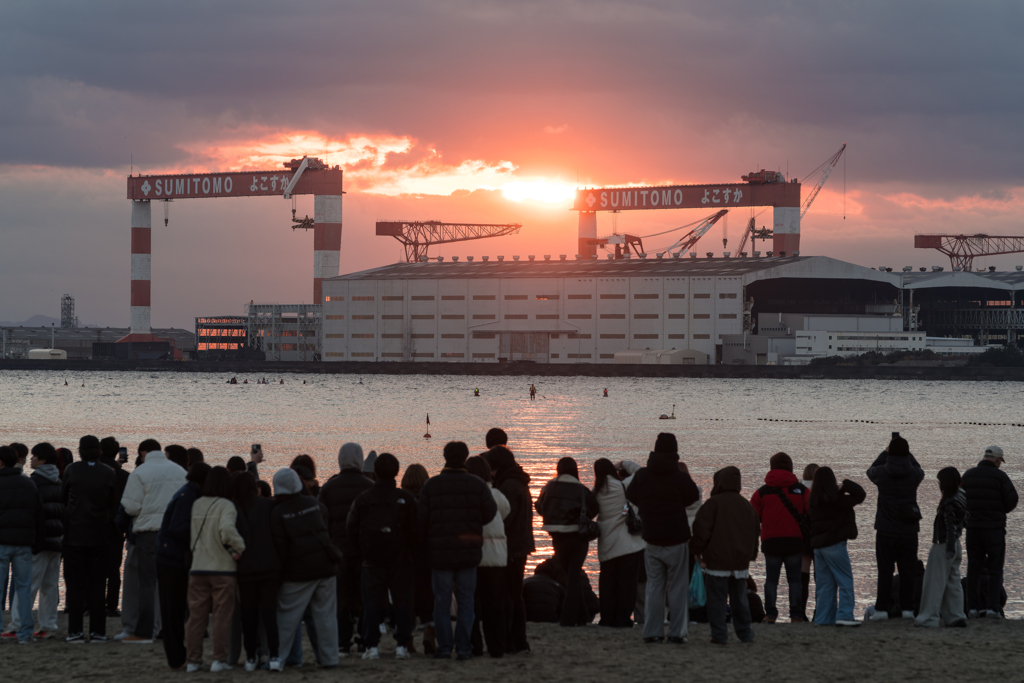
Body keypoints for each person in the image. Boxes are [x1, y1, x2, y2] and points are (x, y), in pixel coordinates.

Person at [418, 441, 498, 661]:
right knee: (466, 601)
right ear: (465, 458)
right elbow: (490, 513)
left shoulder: (431, 486)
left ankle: (444, 648)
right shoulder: (477, 485)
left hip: (439, 553)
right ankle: (463, 647)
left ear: (444, 457)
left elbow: (421, 520)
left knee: (441, 602)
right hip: (468, 552)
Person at [626, 433, 700, 644]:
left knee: (654, 587)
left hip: (651, 538)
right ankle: (677, 632)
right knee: (677, 587)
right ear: (674, 451)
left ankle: (652, 631)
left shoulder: (642, 476)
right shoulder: (680, 477)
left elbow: (631, 495)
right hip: (677, 539)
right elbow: (693, 497)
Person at [346, 453, 417, 660]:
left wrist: (361, 552)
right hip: (401, 560)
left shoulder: (363, 499)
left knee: (371, 604)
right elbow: (416, 530)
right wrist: (410, 553)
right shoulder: (406, 499)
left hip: (372, 560)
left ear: (374, 473)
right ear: (396, 472)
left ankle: (371, 646)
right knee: (403, 603)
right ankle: (402, 645)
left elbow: (351, 528)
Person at [271, 468, 340, 668]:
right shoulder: (314, 504)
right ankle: (330, 659)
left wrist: (282, 573)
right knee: (326, 617)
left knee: (287, 617)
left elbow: (281, 547)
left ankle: (279, 659)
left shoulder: (277, 512)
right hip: (326, 567)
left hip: (298, 572)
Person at [121, 439, 186, 644]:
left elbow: (130, 508)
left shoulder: (140, 473)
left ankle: (144, 631)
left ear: (142, 453)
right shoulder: (180, 471)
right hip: (175, 534)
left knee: (148, 583)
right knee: (172, 583)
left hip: (148, 533)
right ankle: (171, 629)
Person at [689, 466, 760, 645]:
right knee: (740, 599)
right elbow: (754, 532)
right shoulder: (747, 505)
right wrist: (751, 555)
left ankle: (720, 635)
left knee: (717, 600)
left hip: (717, 562)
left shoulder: (713, 504)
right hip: (740, 563)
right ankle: (745, 634)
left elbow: (701, 530)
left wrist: (695, 551)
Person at [185, 467, 246, 673]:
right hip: (222, 569)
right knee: (221, 617)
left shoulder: (196, 504)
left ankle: (193, 661)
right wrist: (240, 548)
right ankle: (218, 660)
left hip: (198, 567)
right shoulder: (226, 505)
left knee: (196, 618)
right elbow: (227, 530)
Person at [61, 435, 118, 643]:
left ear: (80, 450)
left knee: (75, 585)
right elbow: (113, 502)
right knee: (98, 584)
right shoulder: (107, 472)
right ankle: (98, 632)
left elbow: (64, 497)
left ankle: (75, 631)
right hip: (100, 536)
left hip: (75, 536)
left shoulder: (72, 470)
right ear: (99, 451)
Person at [318, 442, 372, 656]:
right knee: (363, 597)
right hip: (362, 552)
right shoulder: (369, 486)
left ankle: (342, 643)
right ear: (360, 460)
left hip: (337, 551)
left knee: (339, 599)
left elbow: (321, 521)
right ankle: (364, 639)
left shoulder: (329, 488)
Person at [156, 462, 211, 670]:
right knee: (173, 609)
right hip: (171, 558)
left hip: (169, 555)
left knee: (175, 608)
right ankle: (176, 657)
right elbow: (180, 528)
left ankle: (178, 656)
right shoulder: (188, 496)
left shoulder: (187, 493)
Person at [483, 436, 535, 655]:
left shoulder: (507, 486)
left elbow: (503, 519)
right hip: (520, 544)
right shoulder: (517, 482)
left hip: (511, 547)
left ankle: (513, 641)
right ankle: (517, 641)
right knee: (514, 595)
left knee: (508, 596)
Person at [7, 443, 63, 640]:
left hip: (39, 540)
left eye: (34, 457)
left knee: (28, 584)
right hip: (57, 540)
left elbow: (33, 513)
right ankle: (48, 624)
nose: (30, 460)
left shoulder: (34, 482)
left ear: (42, 460)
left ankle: (17, 624)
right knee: (50, 585)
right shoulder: (58, 481)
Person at [866, 434, 925, 620]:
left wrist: (886, 452)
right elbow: (919, 468)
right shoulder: (914, 474)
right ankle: (907, 609)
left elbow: (870, 470)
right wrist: (907, 454)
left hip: (886, 528)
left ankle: (882, 610)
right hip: (909, 529)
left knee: (885, 570)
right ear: (907, 453)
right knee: (908, 571)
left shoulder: (882, 473)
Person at [536, 457, 598, 628]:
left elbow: (539, 506)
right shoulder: (582, 490)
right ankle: (571, 618)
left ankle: (580, 615)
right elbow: (594, 507)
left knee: (570, 575)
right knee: (573, 575)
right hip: (578, 537)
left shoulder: (549, 487)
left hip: (558, 537)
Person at [750, 452, 811, 624]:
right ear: (790, 467)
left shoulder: (761, 493)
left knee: (771, 581)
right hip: (795, 542)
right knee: (795, 581)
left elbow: (752, 517)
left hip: (771, 542)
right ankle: (796, 615)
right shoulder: (801, 491)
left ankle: (770, 615)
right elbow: (811, 513)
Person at [232, 471, 283, 670]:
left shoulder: (234, 509)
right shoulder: (268, 505)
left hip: (245, 569)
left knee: (248, 615)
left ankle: (251, 657)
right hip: (269, 567)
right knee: (270, 615)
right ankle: (275, 656)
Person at [961, 445, 1018, 619]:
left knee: (973, 569)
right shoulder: (1001, 476)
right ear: (998, 460)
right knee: (995, 569)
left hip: (973, 529)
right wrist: (999, 511)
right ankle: (993, 608)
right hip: (994, 530)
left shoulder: (968, 475)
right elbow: (1012, 500)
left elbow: (961, 500)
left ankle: (972, 608)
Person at [808, 467, 866, 627]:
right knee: (845, 581)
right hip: (834, 545)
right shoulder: (837, 500)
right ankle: (845, 615)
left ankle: (823, 618)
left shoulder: (813, 501)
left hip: (818, 547)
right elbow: (860, 495)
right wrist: (845, 484)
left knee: (824, 585)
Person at [0, 445, 46, 644]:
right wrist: (37, 542)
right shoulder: (28, 484)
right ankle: (25, 633)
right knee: (24, 589)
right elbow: (39, 516)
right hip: (24, 544)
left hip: (1, 543)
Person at [466, 455, 510, 657]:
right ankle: (497, 647)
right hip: (497, 557)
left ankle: (475, 646)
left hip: (473, 555)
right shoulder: (497, 495)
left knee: (472, 604)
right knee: (495, 605)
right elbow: (506, 512)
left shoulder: (466, 494)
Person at [592, 458, 645, 628]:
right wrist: (624, 463)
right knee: (626, 584)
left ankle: (607, 618)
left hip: (606, 544)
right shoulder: (622, 487)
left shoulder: (596, 491)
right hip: (628, 544)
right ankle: (623, 618)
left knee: (607, 584)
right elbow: (642, 473)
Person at [915, 467, 968, 628]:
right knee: (953, 582)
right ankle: (956, 615)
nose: (938, 484)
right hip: (956, 544)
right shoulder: (962, 496)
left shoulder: (949, 501)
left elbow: (949, 526)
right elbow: (965, 520)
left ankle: (929, 617)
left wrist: (949, 547)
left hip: (944, 545)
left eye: (940, 481)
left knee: (934, 583)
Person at [400, 463, 433, 654]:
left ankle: (408, 639)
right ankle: (429, 632)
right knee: (429, 598)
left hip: (404, 557)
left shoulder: (400, 500)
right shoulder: (429, 501)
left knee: (406, 600)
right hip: (426, 556)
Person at [99, 437, 130, 618]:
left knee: (94, 568)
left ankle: (92, 603)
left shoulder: (94, 471)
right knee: (113, 569)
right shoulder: (125, 476)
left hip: (95, 525)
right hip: (117, 526)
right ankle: (111, 605)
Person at [799, 462, 819, 621]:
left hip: (803, 536)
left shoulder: (799, 490)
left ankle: (800, 611)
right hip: (819, 535)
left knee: (802, 576)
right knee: (820, 576)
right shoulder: (822, 490)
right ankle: (819, 611)